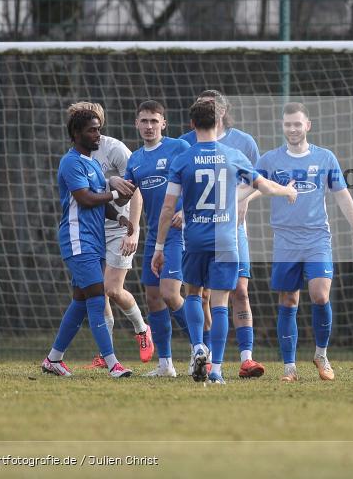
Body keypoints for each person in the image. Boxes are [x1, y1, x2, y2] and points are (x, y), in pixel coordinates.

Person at [152, 100, 297, 384]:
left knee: (193, 294)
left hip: (194, 239)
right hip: (226, 241)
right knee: (219, 304)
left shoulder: (182, 159)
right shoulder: (233, 155)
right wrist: (287, 191)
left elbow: (168, 209)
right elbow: (263, 186)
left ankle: (197, 348)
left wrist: (159, 248)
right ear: (219, 123)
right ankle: (216, 370)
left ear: (192, 125)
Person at [247, 102, 353, 383]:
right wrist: (244, 202)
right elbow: (254, 184)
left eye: (297, 124)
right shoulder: (270, 159)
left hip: (317, 239)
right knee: (289, 300)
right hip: (285, 241)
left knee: (320, 295)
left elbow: (342, 196)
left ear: (307, 126)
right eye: (288, 124)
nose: (292, 129)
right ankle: (289, 368)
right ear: (283, 126)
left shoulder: (325, 158)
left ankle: (321, 355)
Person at [41, 108, 134, 378]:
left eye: (98, 128)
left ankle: (53, 359)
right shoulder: (70, 163)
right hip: (77, 240)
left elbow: (99, 204)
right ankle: (113, 364)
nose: (98, 134)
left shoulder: (92, 164)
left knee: (81, 301)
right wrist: (116, 193)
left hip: (95, 240)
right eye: (92, 129)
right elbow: (85, 199)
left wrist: (119, 216)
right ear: (76, 133)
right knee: (97, 296)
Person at [180, 90, 265, 378]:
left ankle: (246, 358)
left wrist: (239, 201)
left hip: (231, 229)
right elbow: (180, 185)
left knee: (239, 290)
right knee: (202, 295)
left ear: (223, 111)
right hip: (200, 228)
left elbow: (257, 181)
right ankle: (205, 356)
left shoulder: (243, 142)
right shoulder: (186, 143)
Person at [65, 102, 153, 369]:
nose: (93, 132)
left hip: (120, 226)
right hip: (93, 228)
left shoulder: (114, 148)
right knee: (96, 291)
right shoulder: (76, 154)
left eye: (96, 126)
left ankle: (141, 328)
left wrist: (134, 229)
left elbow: (135, 189)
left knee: (112, 289)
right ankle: (106, 354)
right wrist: (108, 182)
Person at [125, 101, 191, 377]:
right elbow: (127, 195)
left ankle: (204, 347)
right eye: (144, 121)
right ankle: (165, 365)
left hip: (178, 233)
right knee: (153, 298)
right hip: (154, 234)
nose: (149, 126)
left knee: (170, 294)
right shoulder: (135, 159)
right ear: (137, 124)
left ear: (164, 123)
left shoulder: (179, 148)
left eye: (154, 120)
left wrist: (186, 211)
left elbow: (199, 182)